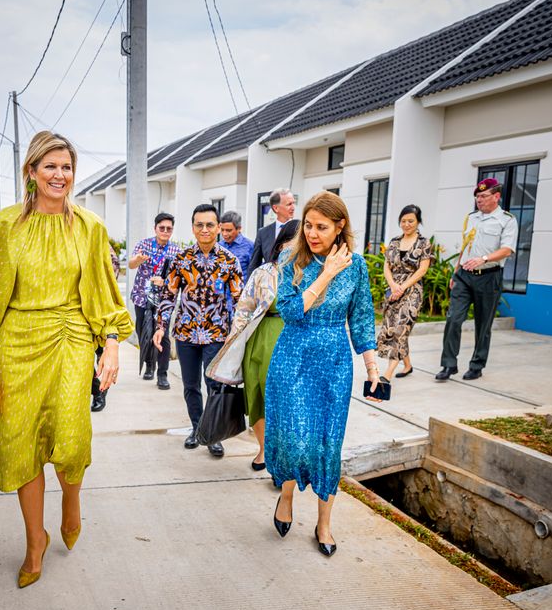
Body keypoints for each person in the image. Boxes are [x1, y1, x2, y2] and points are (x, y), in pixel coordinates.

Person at [0, 130, 133, 588]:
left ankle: (72, 503)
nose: (60, 175)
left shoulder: (90, 227)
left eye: (66, 167)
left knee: (71, 436)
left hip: (71, 337)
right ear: (32, 172)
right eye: (50, 166)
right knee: (21, 442)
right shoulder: (5, 225)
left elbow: (102, 290)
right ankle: (34, 541)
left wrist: (112, 342)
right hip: (18, 342)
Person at [266, 191, 381, 557]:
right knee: (293, 436)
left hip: (333, 361)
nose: (313, 233)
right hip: (293, 356)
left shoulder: (358, 266)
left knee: (329, 441)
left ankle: (324, 523)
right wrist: (326, 274)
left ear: (340, 227)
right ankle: (285, 496)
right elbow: (289, 311)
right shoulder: (290, 258)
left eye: (321, 227)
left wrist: (372, 366)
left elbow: (361, 317)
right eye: (308, 225)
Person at [207, 219, 300, 471]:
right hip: (260, 336)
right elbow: (244, 308)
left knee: (287, 400)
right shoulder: (262, 272)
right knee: (257, 395)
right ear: (281, 245)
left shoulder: (311, 272)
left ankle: (283, 456)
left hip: (293, 338)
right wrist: (233, 342)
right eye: (296, 240)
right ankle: (263, 450)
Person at [153, 204, 243, 457]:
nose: (205, 229)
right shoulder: (181, 259)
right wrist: (161, 326)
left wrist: (240, 332)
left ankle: (212, 433)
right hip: (186, 333)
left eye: (210, 225)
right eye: (199, 225)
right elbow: (169, 295)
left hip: (216, 333)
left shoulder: (229, 261)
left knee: (214, 384)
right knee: (191, 385)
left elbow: (239, 299)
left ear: (217, 228)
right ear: (193, 228)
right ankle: (196, 428)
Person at [436, 178, 518, 382]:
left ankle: (477, 364)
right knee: (453, 318)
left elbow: (507, 249)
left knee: (483, 324)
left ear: (496, 197)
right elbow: (465, 246)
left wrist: (483, 259)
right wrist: (455, 273)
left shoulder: (507, 220)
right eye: (477, 197)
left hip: (489, 277)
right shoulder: (471, 217)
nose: (479, 200)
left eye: (483, 196)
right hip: (464, 276)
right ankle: (448, 364)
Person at [378, 205, 433, 383]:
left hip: (412, 292)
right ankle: (407, 365)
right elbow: (387, 266)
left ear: (418, 222)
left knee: (401, 329)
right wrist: (393, 285)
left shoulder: (424, 243)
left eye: (411, 221)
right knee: (393, 327)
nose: (407, 224)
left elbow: (422, 270)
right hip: (393, 290)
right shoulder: (394, 242)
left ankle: (388, 373)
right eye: (403, 221)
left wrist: (402, 287)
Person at [129, 212, 180, 388]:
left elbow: (178, 276)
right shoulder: (144, 245)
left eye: (169, 228)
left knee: (162, 334)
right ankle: (149, 365)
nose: (165, 231)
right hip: (142, 296)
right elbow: (131, 264)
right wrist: (138, 259)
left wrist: (165, 281)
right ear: (155, 228)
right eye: (162, 228)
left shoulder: (175, 250)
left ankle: (162, 373)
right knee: (144, 331)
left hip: (164, 299)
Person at [90, 242, 122, 412]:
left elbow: (112, 273)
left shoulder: (102, 246)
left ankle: (101, 392)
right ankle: (96, 390)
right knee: (86, 360)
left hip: (102, 312)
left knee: (103, 356)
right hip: (80, 314)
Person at [249, 188, 297, 274]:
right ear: (276, 208)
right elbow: (254, 264)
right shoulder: (263, 233)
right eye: (289, 204)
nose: (293, 207)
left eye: (294, 203)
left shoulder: (300, 229)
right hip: (270, 284)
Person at [218, 210, 253, 278]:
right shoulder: (218, 246)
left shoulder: (250, 247)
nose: (224, 234)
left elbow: (256, 273)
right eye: (222, 230)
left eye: (228, 230)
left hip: (243, 287)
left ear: (239, 228)